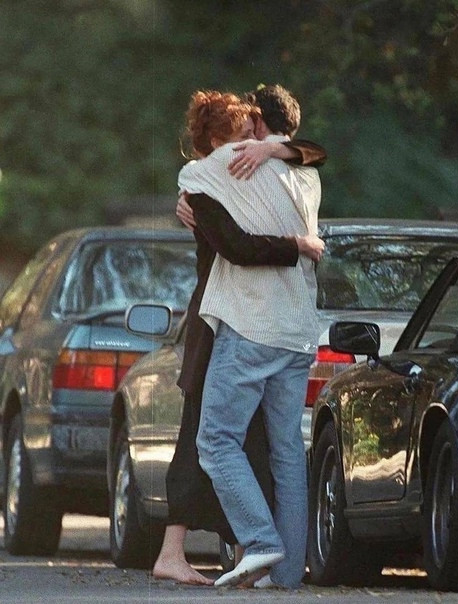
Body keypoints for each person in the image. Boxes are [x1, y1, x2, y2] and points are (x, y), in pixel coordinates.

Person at [152, 89, 326, 586]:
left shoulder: (220, 173)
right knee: (282, 449)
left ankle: (260, 545)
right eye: (241, 132)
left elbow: (237, 245)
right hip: (290, 330)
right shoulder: (302, 175)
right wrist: (298, 243)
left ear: (263, 129)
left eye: (254, 131)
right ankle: (283, 572)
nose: (249, 141)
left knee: (215, 439)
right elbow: (314, 153)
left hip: (244, 322)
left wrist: (196, 191)